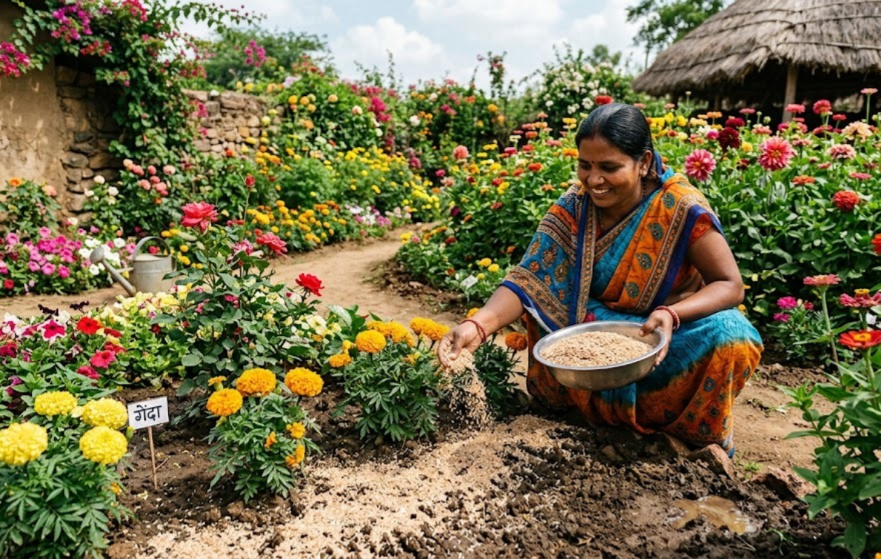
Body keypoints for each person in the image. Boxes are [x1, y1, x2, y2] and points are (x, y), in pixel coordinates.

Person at [438, 103, 763, 456]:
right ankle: (583, 414)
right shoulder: (574, 207)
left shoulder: (680, 207)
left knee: (732, 337)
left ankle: (690, 439)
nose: (593, 180)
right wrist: (477, 326)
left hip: (666, 333)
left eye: (609, 167)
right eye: (585, 165)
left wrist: (672, 315)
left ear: (644, 162)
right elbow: (528, 279)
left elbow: (730, 284)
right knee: (543, 306)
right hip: (594, 327)